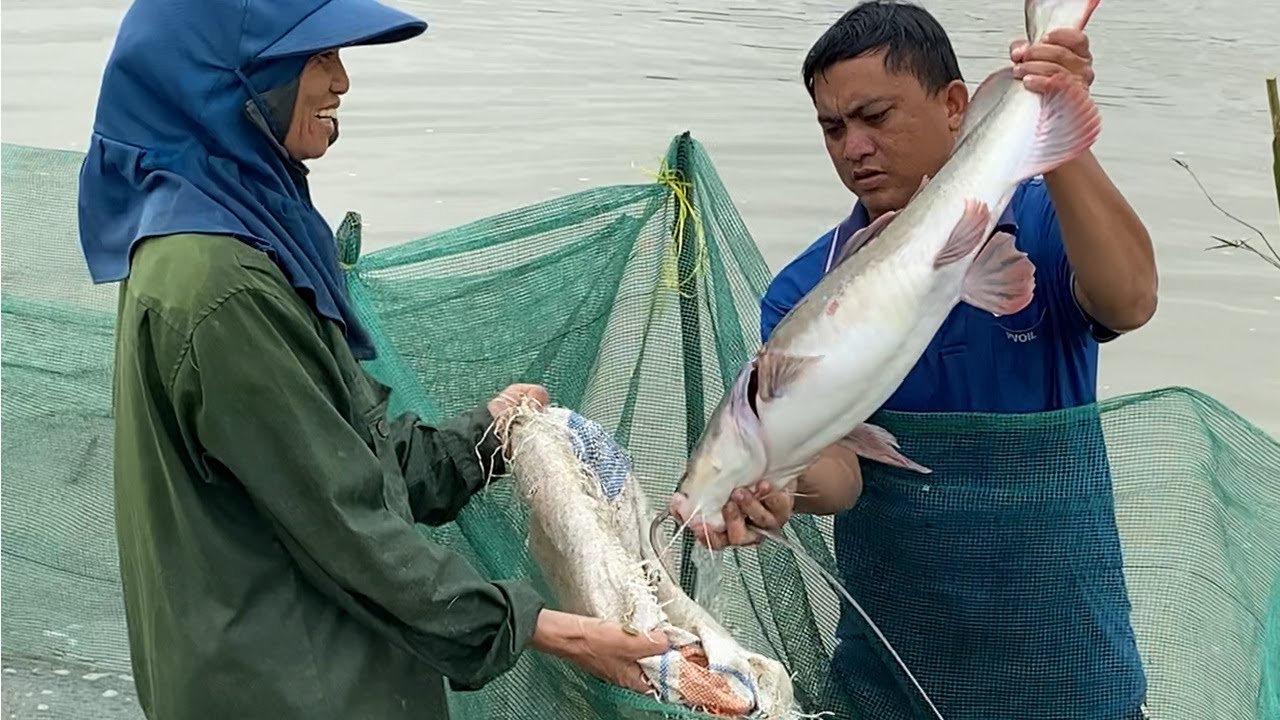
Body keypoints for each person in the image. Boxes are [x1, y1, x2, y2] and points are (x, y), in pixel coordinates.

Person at [75, 1, 669, 718]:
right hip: (292, 692)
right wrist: (544, 627)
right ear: (233, 81)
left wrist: (487, 435)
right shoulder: (219, 285)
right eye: (317, 58)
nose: (342, 82)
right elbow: (344, 523)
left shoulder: (239, 240)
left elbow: (348, 458)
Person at [674, 2, 1157, 719]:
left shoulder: (1046, 221)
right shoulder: (807, 293)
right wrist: (779, 484)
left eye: (876, 116)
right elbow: (838, 472)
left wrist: (1054, 115)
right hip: (895, 677)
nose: (854, 148)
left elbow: (1130, 300)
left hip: (1069, 661)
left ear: (956, 105)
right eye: (833, 128)